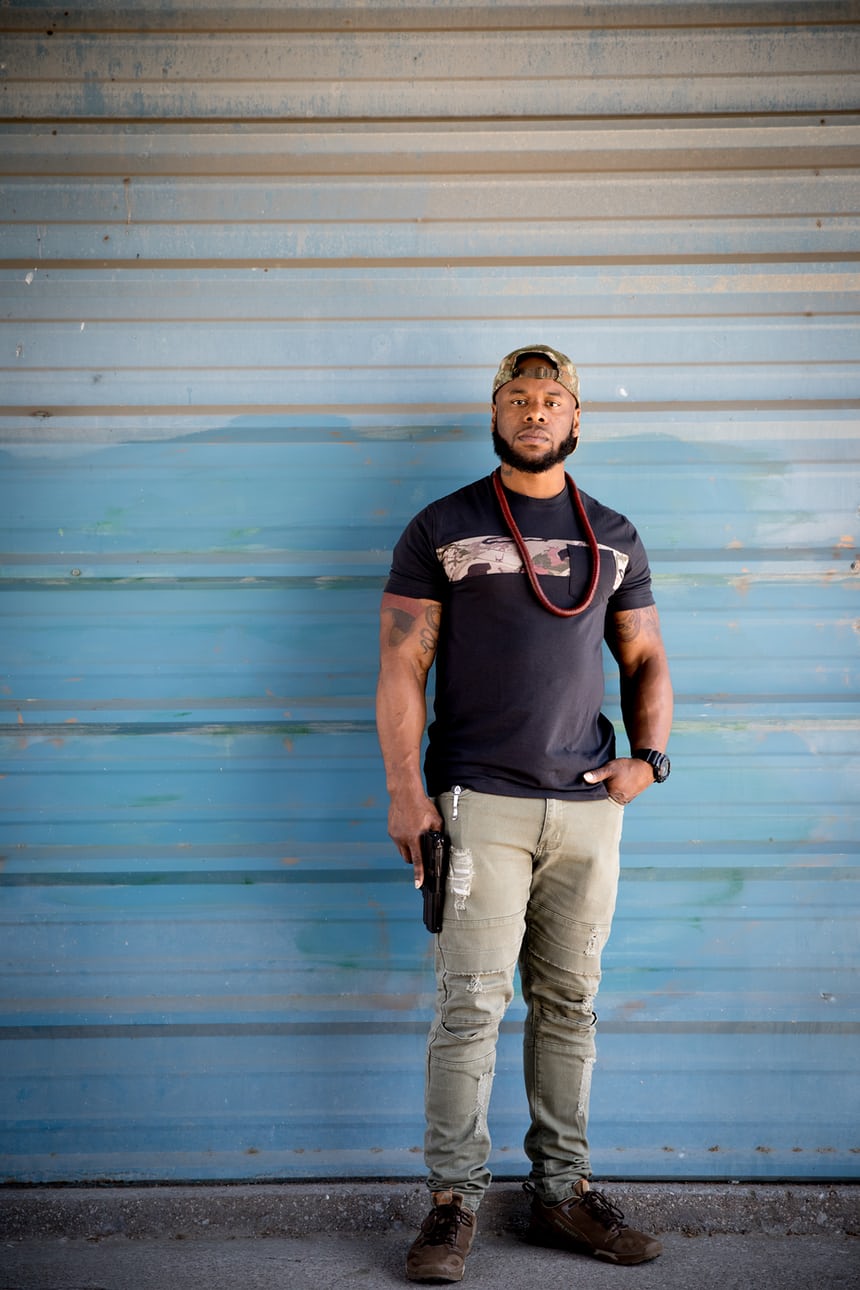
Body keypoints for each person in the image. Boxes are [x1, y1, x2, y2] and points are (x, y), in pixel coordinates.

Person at [376, 344, 673, 1283]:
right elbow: (401, 665)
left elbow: (647, 660)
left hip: (587, 808)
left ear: (577, 419)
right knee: (469, 1004)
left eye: (552, 400)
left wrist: (649, 762)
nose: (535, 412)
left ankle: (561, 1196)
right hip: (479, 803)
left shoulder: (613, 532)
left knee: (571, 1006)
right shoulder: (443, 524)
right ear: (494, 415)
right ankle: (452, 1203)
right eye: (517, 399)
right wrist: (405, 790)